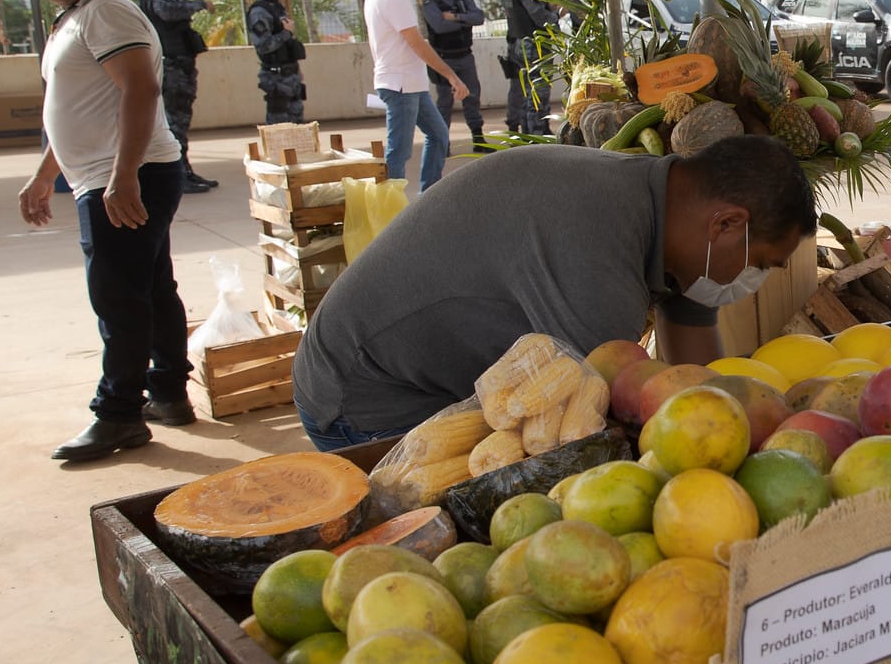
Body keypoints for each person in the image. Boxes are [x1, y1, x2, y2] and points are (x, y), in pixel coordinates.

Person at [292, 135, 816, 449]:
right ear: (725, 224)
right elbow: (599, 423)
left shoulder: (671, 212)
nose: (754, 282)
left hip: (431, 374)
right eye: (761, 264)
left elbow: (697, 382)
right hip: (365, 394)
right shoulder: (596, 250)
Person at [13, 0, 195, 463]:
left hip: (122, 176)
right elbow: (78, 106)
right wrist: (49, 171)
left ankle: (118, 415)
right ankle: (167, 393)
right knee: (150, 285)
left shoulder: (106, 11)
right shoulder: (77, 16)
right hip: (109, 173)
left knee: (117, 296)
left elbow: (140, 87)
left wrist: (122, 175)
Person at [367, 0, 470, 190]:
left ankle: (429, 195)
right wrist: (451, 76)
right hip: (400, 85)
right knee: (399, 151)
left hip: (409, 83)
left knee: (438, 134)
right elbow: (417, 43)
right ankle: (391, 208)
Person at [135, 0, 217, 193]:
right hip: (171, 68)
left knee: (180, 123)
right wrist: (198, 4)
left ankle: (184, 172)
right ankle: (177, 177)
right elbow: (168, 12)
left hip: (178, 67)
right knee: (174, 124)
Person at [422, 0, 488, 151]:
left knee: (472, 97)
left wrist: (455, 17)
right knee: (444, 102)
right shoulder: (431, 3)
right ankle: (443, 144)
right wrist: (464, 22)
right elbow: (439, 26)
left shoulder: (463, 1)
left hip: (465, 56)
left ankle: (478, 140)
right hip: (444, 59)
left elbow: (479, 18)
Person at [499, 0, 561, 134]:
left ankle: (527, 133)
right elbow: (540, 17)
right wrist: (556, 14)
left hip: (518, 45)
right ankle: (538, 134)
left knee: (527, 93)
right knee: (538, 94)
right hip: (535, 45)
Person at [246, 0, 305, 124]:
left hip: (289, 76)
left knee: (297, 126)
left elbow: (287, 45)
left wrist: (296, 69)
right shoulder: (259, 12)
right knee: (280, 127)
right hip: (276, 78)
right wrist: (286, 33)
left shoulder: (276, 8)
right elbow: (263, 46)